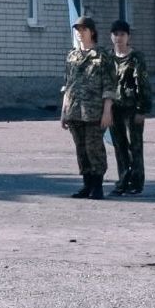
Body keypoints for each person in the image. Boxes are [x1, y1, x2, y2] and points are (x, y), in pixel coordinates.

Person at [60, 16, 115, 200]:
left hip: (94, 111)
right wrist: (63, 112)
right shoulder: (72, 56)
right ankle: (87, 184)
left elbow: (109, 86)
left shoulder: (102, 55)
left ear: (92, 32)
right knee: (81, 149)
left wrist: (107, 111)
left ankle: (98, 186)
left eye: (83, 30)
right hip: (75, 110)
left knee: (94, 148)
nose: (80, 33)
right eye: (77, 30)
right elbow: (67, 85)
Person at [107, 21, 150, 195]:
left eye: (122, 34)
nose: (119, 38)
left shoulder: (136, 57)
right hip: (114, 108)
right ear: (111, 36)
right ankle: (123, 180)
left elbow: (144, 85)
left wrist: (142, 109)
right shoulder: (107, 58)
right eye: (115, 34)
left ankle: (136, 182)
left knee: (136, 146)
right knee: (119, 146)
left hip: (132, 108)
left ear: (128, 37)